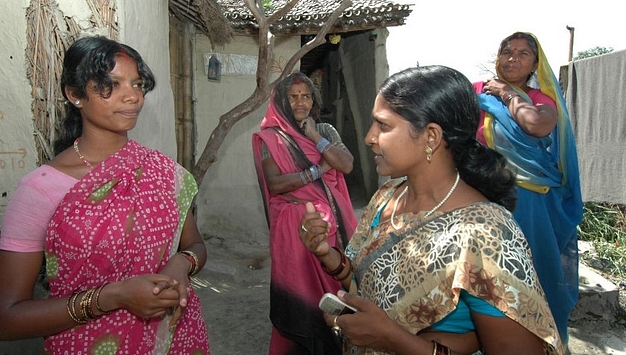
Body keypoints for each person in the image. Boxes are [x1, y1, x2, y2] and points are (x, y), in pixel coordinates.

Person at [299, 66, 565, 354]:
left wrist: (393, 339)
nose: (369, 138)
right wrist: (326, 253)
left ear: (431, 136)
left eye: (383, 126)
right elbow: (363, 280)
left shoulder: (486, 234)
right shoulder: (388, 197)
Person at [0, 36, 210, 354]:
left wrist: (180, 264)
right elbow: (8, 318)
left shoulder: (164, 172)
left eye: (137, 84)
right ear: (75, 94)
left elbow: (194, 244)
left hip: (173, 339)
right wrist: (114, 296)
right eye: (110, 85)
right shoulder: (41, 190)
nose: (132, 97)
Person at [475, 31, 583, 348]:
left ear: (535, 64)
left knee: (532, 272)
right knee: (490, 276)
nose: (513, 57)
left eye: (523, 53)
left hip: (529, 204)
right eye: (507, 51)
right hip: (485, 197)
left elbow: (535, 124)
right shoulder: (478, 93)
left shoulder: (540, 100)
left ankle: (540, 343)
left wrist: (508, 94)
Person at [252, 71, 358, 354]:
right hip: (294, 230)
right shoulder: (270, 138)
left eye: (306, 96)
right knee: (302, 295)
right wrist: (317, 170)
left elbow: (346, 164)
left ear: (314, 100)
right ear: (282, 101)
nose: (300, 102)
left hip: (330, 223)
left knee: (336, 284)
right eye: (293, 96)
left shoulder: (325, 131)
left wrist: (313, 135)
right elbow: (276, 184)